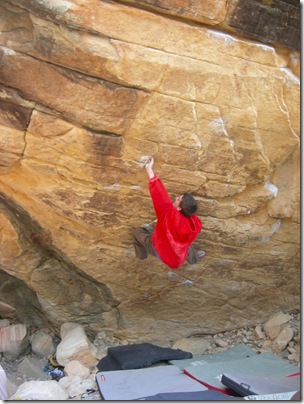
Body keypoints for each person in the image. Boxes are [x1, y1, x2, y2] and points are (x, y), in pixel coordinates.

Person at [133, 157, 205, 269]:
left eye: (178, 199)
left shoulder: (169, 215)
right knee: (186, 246)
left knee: (137, 233)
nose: (175, 198)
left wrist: (149, 170)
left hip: (161, 252)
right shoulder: (195, 223)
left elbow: (160, 196)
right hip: (179, 257)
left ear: (180, 208)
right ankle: (194, 259)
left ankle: (142, 256)